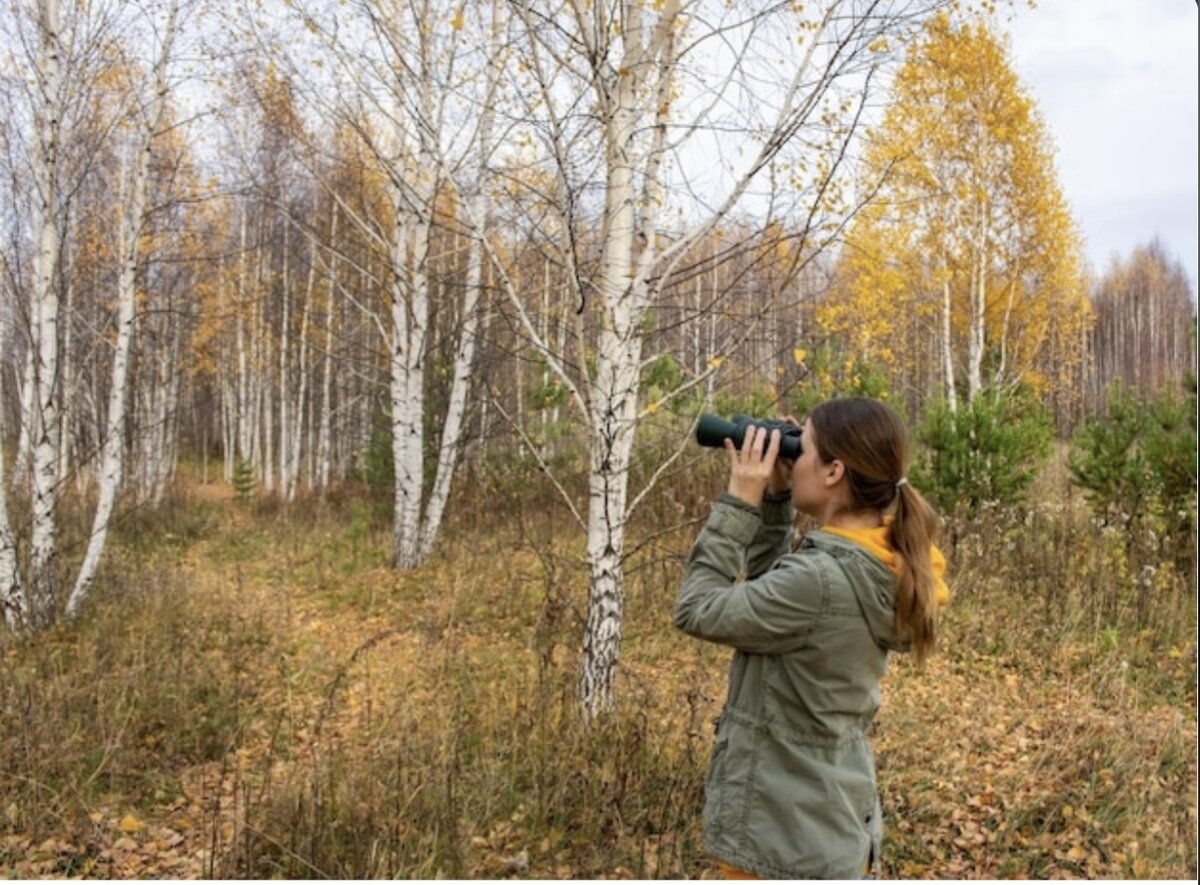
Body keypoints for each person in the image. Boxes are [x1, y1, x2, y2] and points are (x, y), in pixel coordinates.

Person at [674, 396, 950, 879]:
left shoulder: (821, 580)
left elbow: (696, 609)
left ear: (833, 472)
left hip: (779, 839)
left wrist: (742, 502)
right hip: (825, 826)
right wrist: (778, 502)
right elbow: (774, 615)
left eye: (800, 448)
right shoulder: (874, 562)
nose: (789, 457)